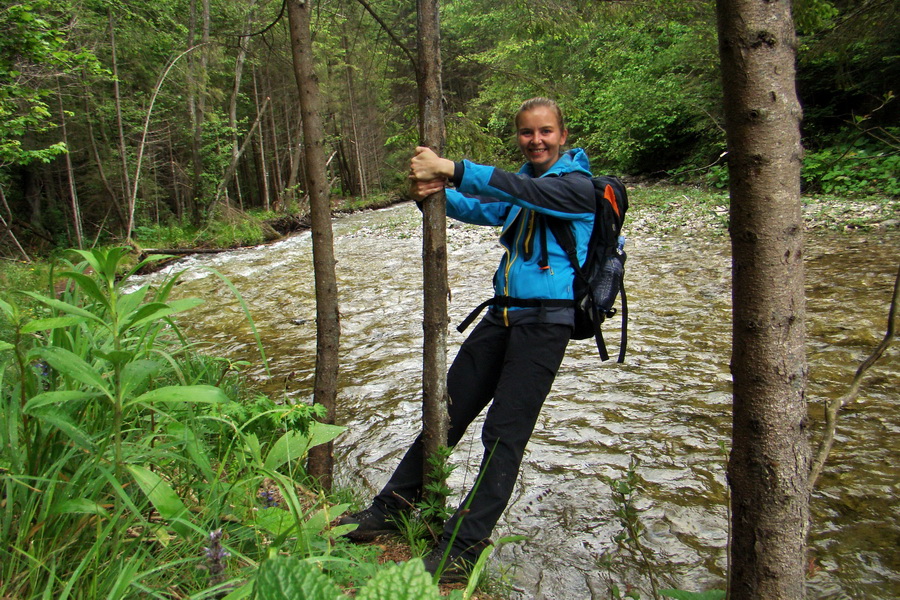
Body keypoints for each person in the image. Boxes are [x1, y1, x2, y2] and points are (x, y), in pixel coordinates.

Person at [339, 97, 598, 581]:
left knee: (504, 434)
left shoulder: (578, 188)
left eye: (545, 132)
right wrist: (432, 193)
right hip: (501, 315)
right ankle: (389, 512)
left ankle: (463, 549)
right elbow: (488, 207)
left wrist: (453, 168)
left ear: (563, 136)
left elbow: (518, 189)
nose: (536, 140)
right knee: (448, 410)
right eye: (527, 132)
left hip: (547, 324)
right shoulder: (528, 187)